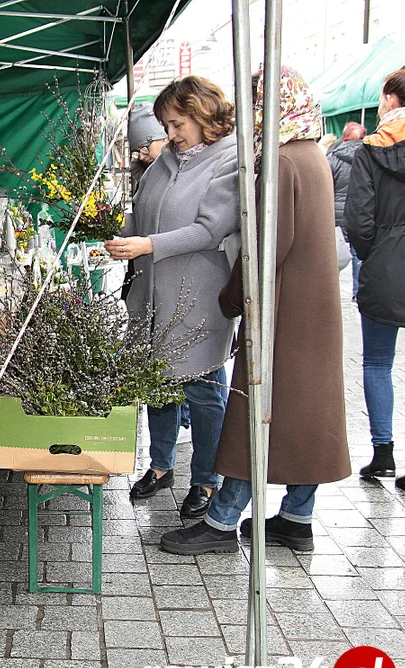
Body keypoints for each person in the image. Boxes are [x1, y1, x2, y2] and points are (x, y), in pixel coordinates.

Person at [160, 68, 351, 555]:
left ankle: (222, 522)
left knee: (256, 415)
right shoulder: (310, 153)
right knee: (303, 419)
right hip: (313, 310)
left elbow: (267, 247)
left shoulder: (282, 161)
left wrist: (230, 296)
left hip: (282, 311)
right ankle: (296, 518)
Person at [105, 76, 239, 519]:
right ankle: (161, 466)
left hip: (198, 295)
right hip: (152, 294)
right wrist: (116, 232)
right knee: (157, 384)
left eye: (178, 123)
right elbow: (145, 213)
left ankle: (205, 478)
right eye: (167, 124)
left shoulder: (230, 159)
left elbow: (209, 229)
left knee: (202, 390)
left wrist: (148, 245)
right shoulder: (166, 160)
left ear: (203, 116)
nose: (172, 133)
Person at [344, 68, 405, 491]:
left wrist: (374, 254)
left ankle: (382, 453)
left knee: (377, 362)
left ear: (388, 99)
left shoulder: (370, 149)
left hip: (385, 263)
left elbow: (358, 218)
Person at [327, 121, 368, 300]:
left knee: (335, 251)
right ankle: (358, 292)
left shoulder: (333, 158)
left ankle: (331, 289)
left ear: (344, 137)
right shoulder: (370, 156)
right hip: (360, 211)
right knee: (357, 252)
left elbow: (327, 186)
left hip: (336, 212)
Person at [128, 102, 168, 185]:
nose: (141, 157)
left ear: (165, 139)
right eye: (137, 152)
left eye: (145, 148)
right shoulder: (144, 183)